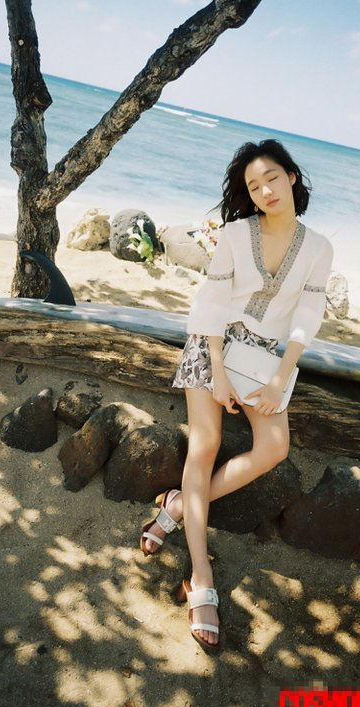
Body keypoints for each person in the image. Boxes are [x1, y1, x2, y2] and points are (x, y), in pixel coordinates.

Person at [140, 139, 333, 651]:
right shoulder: (234, 234)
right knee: (204, 444)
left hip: (266, 361)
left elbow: (308, 316)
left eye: (272, 178)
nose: (265, 190)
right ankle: (200, 576)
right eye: (253, 185)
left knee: (274, 447)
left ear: (292, 177)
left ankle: (179, 506)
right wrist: (218, 373)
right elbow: (212, 302)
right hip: (212, 346)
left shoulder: (319, 248)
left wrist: (281, 376)